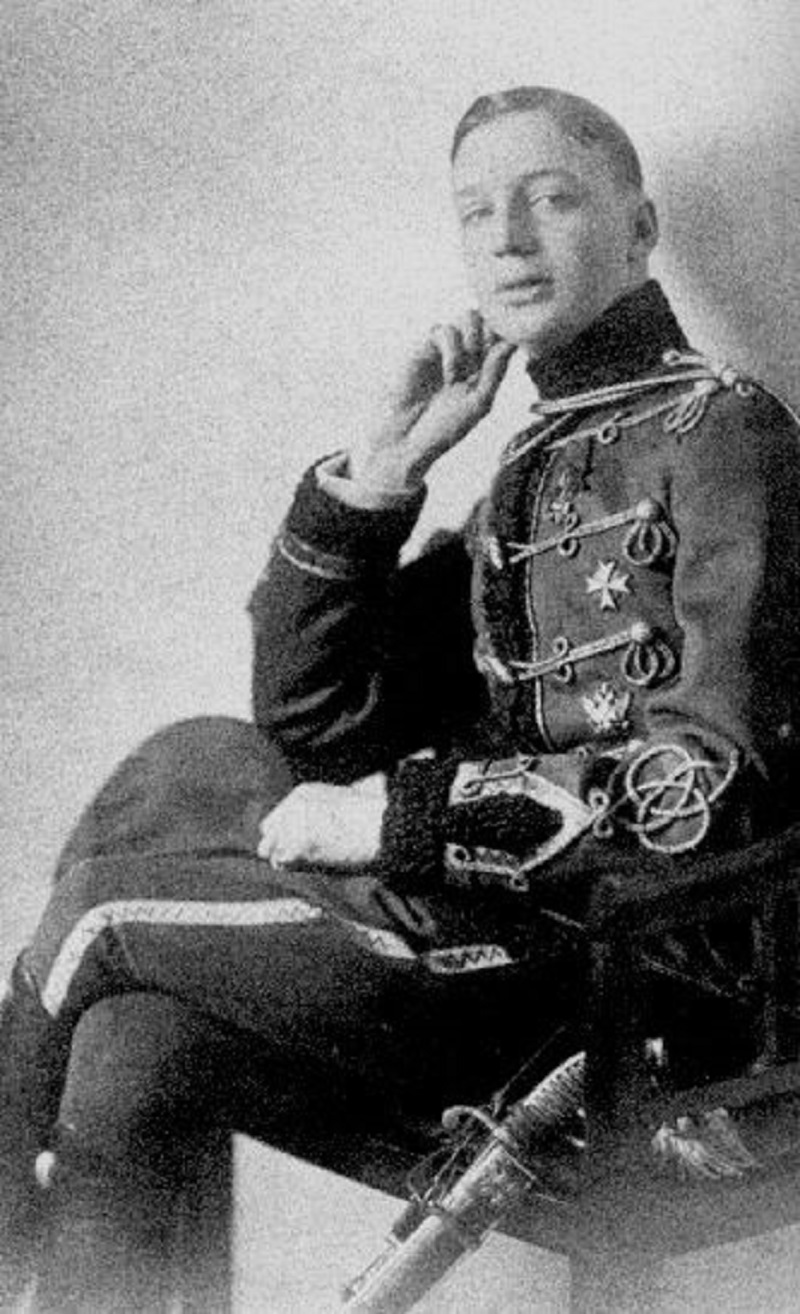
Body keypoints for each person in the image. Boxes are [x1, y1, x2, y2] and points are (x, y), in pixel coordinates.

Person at [2, 85, 800, 1310]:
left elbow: (708, 787)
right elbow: (315, 727)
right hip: (503, 943)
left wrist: (409, 819)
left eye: (550, 199)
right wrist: (382, 472)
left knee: (103, 916)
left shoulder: (724, 433)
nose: (508, 240)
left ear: (638, 230)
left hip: (640, 985)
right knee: (143, 990)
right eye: (476, 212)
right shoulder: (530, 464)